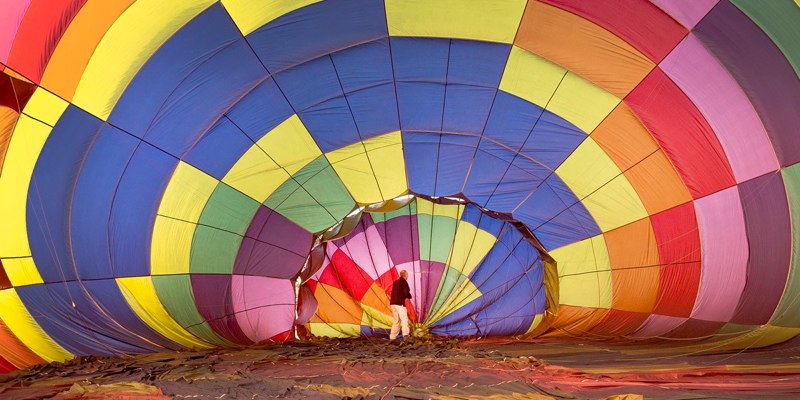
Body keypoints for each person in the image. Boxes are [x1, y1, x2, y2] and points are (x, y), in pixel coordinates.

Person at [389, 270, 412, 340]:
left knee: (396, 321)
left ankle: (392, 337)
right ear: (405, 275)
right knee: (404, 320)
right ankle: (405, 335)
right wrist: (409, 296)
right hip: (399, 304)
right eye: (407, 275)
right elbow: (406, 293)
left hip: (392, 304)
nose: (407, 276)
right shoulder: (404, 282)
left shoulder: (395, 282)